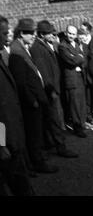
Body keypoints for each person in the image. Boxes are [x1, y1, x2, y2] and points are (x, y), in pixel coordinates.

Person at [9, 18, 58, 174]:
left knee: (37, 131)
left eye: (33, 32)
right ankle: (38, 163)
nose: (32, 36)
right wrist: (32, 100)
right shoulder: (16, 50)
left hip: (37, 98)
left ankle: (37, 160)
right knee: (34, 134)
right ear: (20, 33)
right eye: (29, 33)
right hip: (32, 102)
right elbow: (21, 81)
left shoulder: (23, 47)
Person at [30, 20, 78, 158]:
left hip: (54, 88)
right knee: (55, 119)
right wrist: (51, 91)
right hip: (50, 90)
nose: (52, 35)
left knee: (53, 118)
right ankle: (60, 147)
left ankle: (51, 144)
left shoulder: (46, 44)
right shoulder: (37, 48)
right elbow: (44, 72)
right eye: (49, 33)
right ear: (41, 34)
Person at [0, 15, 34, 196]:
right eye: (4, 33)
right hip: (6, 141)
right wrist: (0, 144)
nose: (7, 37)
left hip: (12, 135)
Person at [59, 25, 87, 138]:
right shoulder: (62, 46)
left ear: (76, 35)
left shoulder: (76, 44)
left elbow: (83, 58)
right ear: (66, 33)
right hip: (71, 79)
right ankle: (77, 128)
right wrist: (78, 58)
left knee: (81, 102)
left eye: (73, 34)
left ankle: (82, 123)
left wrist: (78, 58)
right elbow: (70, 61)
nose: (71, 36)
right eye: (69, 33)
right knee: (74, 104)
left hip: (79, 77)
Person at [77, 28, 93, 126]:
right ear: (78, 37)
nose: (83, 40)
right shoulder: (74, 46)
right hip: (78, 77)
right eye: (81, 38)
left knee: (88, 98)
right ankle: (82, 117)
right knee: (81, 98)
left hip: (87, 76)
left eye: (84, 39)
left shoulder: (86, 47)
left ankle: (89, 116)